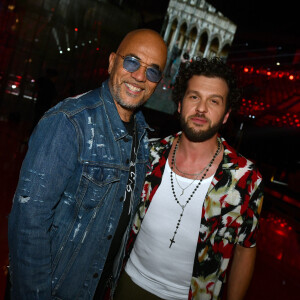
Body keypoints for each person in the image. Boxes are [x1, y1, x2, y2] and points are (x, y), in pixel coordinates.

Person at [7, 28, 167, 299]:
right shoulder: (69, 122)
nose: (140, 76)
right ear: (111, 61)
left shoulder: (142, 136)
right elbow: (28, 222)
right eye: (132, 62)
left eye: (152, 71)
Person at [114, 57, 264, 300]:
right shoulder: (147, 154)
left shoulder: (245, 177)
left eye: (213, 101)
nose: (202, 109)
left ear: (226, 114)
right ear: (180, 105)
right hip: (128, 284)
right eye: (194, 97)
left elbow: (245, 250)